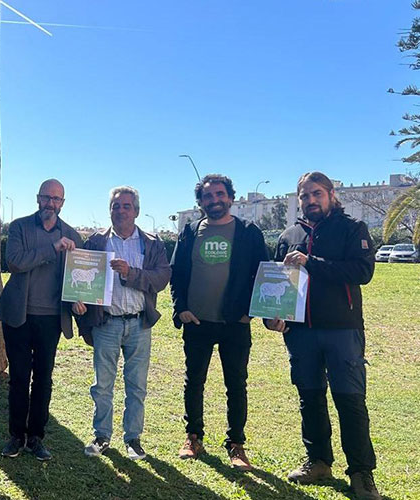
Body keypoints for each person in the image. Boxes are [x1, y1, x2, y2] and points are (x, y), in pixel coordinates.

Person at [264, 172, 380, 500]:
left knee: (350, 400)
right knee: (310, 397)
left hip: (342, 330)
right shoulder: (289, 235)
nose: (311, 200)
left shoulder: (352, 228)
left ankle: (361, 473)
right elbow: (277, 284)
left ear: (330, 194)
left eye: (317, 194)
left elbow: (362, 272)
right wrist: (273, 318)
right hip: (301, 333)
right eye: (304, 196)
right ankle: (318, 462)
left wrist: (310, 262)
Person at [169, 174, 268, 471]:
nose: (215, 200)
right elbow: (177, 274)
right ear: (200, 202)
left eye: (220, 194)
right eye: (208, 196)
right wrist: (181, 309)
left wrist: (251, 311)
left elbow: (263, 274)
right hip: (197, 321)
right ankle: (193, 437)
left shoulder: (249, 232)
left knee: (236, 384)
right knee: (194, 382)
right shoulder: (189, 232)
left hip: (234, 323)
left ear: (231, 197)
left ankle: (236, 444)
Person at [72, 186, 171, 460]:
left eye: (127, 206)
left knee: (136, 385)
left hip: (139, 323)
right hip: (106, 323)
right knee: (102, 385)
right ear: (110, 210)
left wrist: (131, 273)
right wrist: (78, 302)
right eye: (116, 205)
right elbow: (81, 279)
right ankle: (102, 436)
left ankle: (133, 439)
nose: (121, 210)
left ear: (136, 211)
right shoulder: (96, 242)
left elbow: (162, 278)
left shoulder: (151, 243)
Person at [0, 179, 84, 461]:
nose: (51, 203)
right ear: (37, 199)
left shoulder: (72, 235)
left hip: (50, 319)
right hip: (18, 316)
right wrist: (52, 249)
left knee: (43, 379)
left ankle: (36, 438)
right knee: (19, 378)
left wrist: (78, 299)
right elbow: (15, 263)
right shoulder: (20, 227)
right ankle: (15, 436)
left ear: (63, 203)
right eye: (46, 198)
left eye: (56, 199)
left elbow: (76, 277)